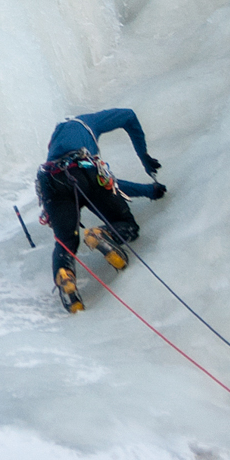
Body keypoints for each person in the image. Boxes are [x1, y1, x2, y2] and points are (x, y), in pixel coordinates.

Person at [36, 109, 166, 312]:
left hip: (51, 182)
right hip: (84, 170)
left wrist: (148, 189)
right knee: (128, 224)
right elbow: (129, 116)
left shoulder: (53, 153)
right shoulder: (83, 123)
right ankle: (102, 234)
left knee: (66, 242)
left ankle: (65, 276)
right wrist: (147, 171)